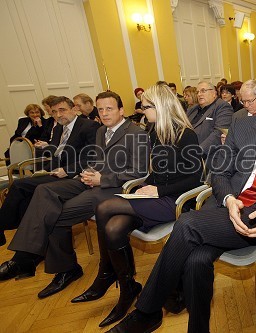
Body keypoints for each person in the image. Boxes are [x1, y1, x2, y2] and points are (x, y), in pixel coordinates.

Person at [107, 66, 256, 333]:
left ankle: (147, 310)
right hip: (224, 208)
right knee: (196, 261)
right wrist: (229, 198)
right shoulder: (242, 125)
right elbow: (220, 171)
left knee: (186, 224)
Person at [71, 83, 203, 328]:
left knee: (104, 207)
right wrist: (147, 185)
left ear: (160, 107)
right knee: (113, 228)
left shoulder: (186, 134)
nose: (142, 111)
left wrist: (158, 189)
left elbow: (194, 177)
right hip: (154, 197)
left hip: (174, 201)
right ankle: (127, 287)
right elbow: (157, 170)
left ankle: (108, 274)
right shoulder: (153, 130)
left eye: (146, 107)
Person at [0, 92, 149, 298]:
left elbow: (139, 172)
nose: (104, 113)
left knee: (55, 214)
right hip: (91, 180)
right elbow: (97, 160)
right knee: (44, 190)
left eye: (110, 109)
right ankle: (27, 257)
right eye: (101, 109)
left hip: (113, 188)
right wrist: (86, 172)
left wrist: (102, 180)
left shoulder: (136, 133)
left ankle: (62, 268)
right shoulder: (101, 132)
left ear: (121, 110)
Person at [0, 96, 100, 246]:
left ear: (74, 109)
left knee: (19, 186)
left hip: (73, 175)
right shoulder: (59, 127)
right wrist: (45, 170)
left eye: (62, 110)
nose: (58, 115)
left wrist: (67, 170)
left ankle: (10, 230)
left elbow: (93, 157)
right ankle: (32, 240)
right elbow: (56, 153)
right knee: (26, 193)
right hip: (55, 172)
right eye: (54, 112)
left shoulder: (89, 126)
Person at [186, 81, 233, 156]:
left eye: (203, 91)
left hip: (208, 155)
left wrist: (198, 151)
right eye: (197, 92)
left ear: (214, 93)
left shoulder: (223, 107)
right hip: (187, 151)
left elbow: (219, 133)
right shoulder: (192, 109)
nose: (199, 94)